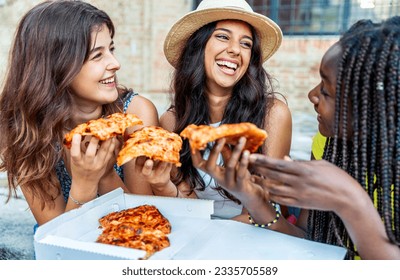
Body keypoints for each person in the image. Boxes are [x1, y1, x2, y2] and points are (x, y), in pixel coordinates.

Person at [192, 16, 400, 259]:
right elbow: (306, 237)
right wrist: (253, 199)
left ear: (374, 105)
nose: (312, 95)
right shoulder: (327, 146)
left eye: (325, 90)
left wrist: (351, 203)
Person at [0, 0, 159, 226]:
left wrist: (105, 175)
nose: (115, 63)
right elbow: (55, 238)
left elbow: (146, 223)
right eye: (97, 55)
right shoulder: (22, 129)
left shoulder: (136, 114)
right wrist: (84, 183)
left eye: (111, 49)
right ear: (57, 66)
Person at [142, 0, 292, 222]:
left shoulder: (273, 114)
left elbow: (263, 211)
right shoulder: (172, 121)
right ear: (199, 46)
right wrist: (163, 184)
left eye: (246, 44)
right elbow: (189, 206)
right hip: (200, 231)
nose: (234, 50)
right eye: (223, 36)